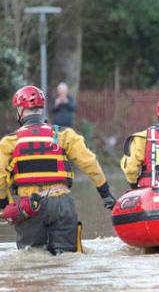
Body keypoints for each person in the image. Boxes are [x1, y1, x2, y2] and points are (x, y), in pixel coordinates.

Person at [0, 85, 115, 254]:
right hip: (62, 203)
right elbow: (90, 163)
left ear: (20, 110)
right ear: (42, 109)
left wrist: (3, 204)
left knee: (32, 257)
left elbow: (1, 178)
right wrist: (105, 194)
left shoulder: (9, 142)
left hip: (29, 206)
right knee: (67, 257)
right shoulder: (64, 134)